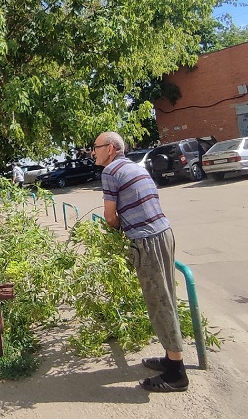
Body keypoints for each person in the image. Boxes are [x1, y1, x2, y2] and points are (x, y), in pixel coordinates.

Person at [92, 131, 189, 393]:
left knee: (159, 301)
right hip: (163, 234)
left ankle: (177, 374)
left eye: (96, 147)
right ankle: (171, 358)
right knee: (166, 296)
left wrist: (114, 234)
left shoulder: (111, 171)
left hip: (147, 241)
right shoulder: (135, 166)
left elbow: (110, 217)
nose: (93, 152)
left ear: (110, 149)